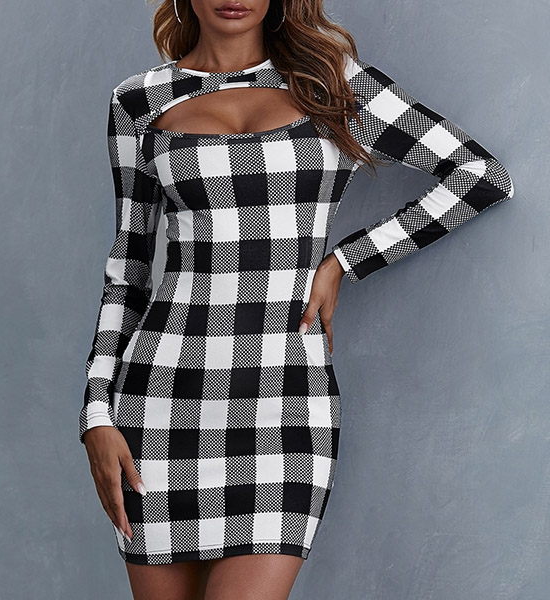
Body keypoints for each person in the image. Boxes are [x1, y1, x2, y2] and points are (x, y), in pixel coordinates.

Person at [79, 0, 514, 598]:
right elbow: (128, 268)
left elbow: (480, 177)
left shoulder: (336, 84)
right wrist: (96, 414)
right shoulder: (137, 100)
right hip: (160, 397)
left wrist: (346, 260)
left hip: (285, 399)